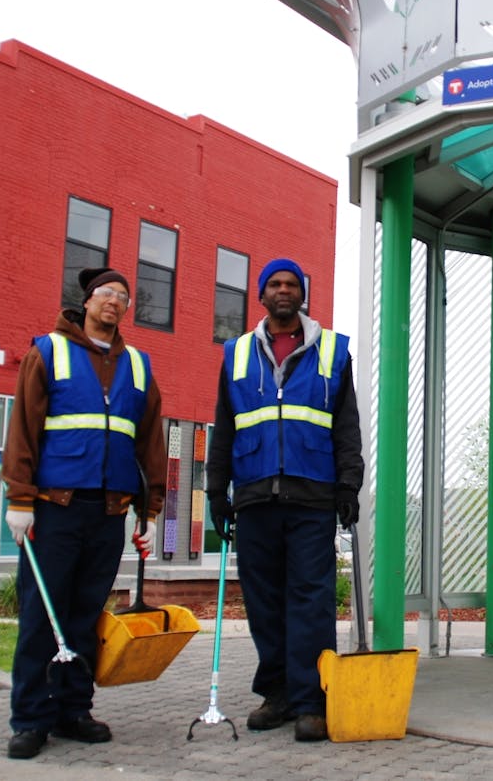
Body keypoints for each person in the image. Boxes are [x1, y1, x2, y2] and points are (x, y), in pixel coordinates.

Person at [1, 267, 167, 760]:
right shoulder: (48, 352)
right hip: (53, 510)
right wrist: (19, 500)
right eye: (105, 294)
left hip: (109, 513)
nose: (113, 302)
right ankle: (31, 718)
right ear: (87, 300)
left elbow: (150, 442)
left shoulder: (138, 365)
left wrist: (149, 510)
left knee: (83, 616)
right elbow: (24, 428)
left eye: (123, 296)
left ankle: (73, 709)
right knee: (39, 616)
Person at [206, 257, 364, 743]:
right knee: (264, 602)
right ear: (261, 295)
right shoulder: (235, 354)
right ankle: (276, 694)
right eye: (274, 284)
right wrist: (216, 490)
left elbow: (346, 427)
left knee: (311, 602)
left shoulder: (333, 352)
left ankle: (312, 701)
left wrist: (348, 484)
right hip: (254, 497)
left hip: (312, 497)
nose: (283, 290)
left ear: (302, 294)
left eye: (291, 284)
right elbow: (224, 430)